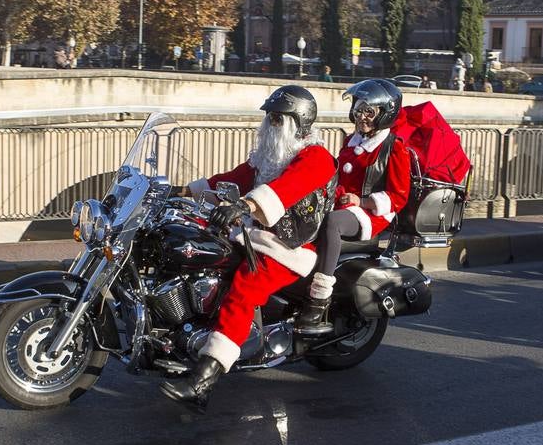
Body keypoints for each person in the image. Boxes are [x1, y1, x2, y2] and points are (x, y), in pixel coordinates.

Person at [160, 86, 337, 411]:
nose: (269, 124)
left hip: (287, 247)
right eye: (268, 117)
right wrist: (182, 191)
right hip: (253, 235)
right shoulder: (268, 159)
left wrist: (244, 206)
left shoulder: (316, 158)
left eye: (277, 118)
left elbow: (286, 189)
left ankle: (203, 381)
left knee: (244, 289)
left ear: (298, 122)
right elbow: (233, 178)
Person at [294, 79, 412, 335]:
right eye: (359, 110)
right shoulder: (351, 140)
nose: (362, 117)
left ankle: (320, 296)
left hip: (371, 215)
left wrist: (363, 201)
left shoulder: (394, 147)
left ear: (384, 114)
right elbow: (337, 176)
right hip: (343, 206)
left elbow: (398, 196)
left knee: (333, 222)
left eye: (369, 112)